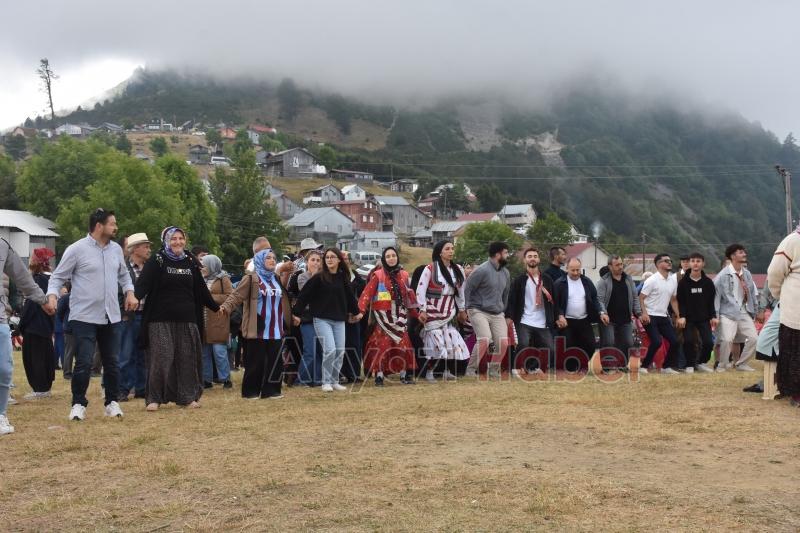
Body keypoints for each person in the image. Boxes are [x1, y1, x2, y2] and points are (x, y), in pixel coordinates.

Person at [46, 208, 137, 421]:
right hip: (83, 316)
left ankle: (112, 402)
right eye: (112, 224)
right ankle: (78, 404)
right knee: (84, 362)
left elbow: (124, 276)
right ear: (99, 226)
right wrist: (52, 295)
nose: (116, 228)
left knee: (112, 362)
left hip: (111, 315)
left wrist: (130, 293)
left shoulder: (116, 250)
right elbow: (57, 277)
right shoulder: (76, 249)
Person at [134, 226, 220, 411]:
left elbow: (200, 289)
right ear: (166, 240)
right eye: (173, 238)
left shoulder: (190, 261)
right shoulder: (157, 260)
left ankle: (187, 397)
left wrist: (216, 307)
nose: (178, 242)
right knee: (162, 357)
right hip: (160, 318)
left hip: (187, 318)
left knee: (186, 358)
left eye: (181, 238)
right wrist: (133, 297)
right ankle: (155, 397)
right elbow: (143, 284)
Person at [220, 248, 290, 399]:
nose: (272, 260)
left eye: (274, 258)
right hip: (258, 326)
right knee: (255, 362)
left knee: (275, 361)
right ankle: (250, 392)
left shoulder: (275, 278)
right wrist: (225, 307)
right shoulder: (251, 278)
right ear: (259, 261)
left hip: (276, 328)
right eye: (268, 258)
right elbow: (236, 295)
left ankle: (272, 391)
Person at [0, 239, 53, 435]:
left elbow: (22, 278)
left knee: (5, 369)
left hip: (3, 319)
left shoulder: (3, 245)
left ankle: (1, 414)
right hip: (27, 324)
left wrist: (43, 301)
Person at [292, 248, 362, 393]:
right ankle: (326, 382)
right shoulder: (319, 277)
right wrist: (296, 314)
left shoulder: (342, 277)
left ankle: (334, 381)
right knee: (330, 350)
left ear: (339, 260)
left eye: (332, 257)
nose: (329, 259)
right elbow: (304, 295)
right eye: (327, 257)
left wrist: (356, 312)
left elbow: (349, 296)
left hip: (339, 320)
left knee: (340, 351)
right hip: (321, 319)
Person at [358, 247, 417, 386]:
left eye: (393, 255)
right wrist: (361, 311)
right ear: (384, 259)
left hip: (400, 316)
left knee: (403, 345)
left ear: (397, 257)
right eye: (388, 256)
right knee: (382, 346)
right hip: (383, 317)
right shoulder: (378, 275)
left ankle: (404, 375)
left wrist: (416, 314)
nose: (391, 258)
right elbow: (367, 294)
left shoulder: (404, 275)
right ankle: (379, 376)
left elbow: (409, 296)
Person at [416, 241, 469, 382]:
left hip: (449, 310)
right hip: (432, 310)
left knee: (450, 341)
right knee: (436, 342)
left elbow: (461, 292)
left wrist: (462, 309)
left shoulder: (457, 269)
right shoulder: (430, 269)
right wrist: (422, 309)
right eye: (447, 249)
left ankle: (446, 370)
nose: (451, 251)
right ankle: (429, 371)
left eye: (452, 248)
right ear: (440, 252)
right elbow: (420, 290)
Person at [464, 241, 511, 378]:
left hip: (497, 313)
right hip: (478, 310)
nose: (507, 255)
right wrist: (468, 308)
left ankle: (493, 370)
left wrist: (503, 309)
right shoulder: (481, 270)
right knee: (484, 339)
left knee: (503, 343)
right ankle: (470, 370)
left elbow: (506, 294)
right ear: (497, 254)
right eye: (506, 253)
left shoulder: (506, 273)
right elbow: (468, 288)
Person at [713, 244, 762, 372]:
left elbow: (752, 294)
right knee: (727, 339)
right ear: (733, 256)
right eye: (741, 252)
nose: (744, 254)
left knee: (754, 338)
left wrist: (756, 311)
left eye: (744, 252)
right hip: (727, 312)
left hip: (744, 310)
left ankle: (741, 363)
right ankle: (722, 365)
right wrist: (715, 315)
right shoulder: (722, 275)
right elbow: (716, 297)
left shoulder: (747, 274)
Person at [506, 247, 555, 374]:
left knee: (550, 348)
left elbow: (555, 299)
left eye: (535, 256)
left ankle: (534, 368)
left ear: (539, 259)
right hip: (524, 319)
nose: (532, 258)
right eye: (529, 256)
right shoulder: (519, 280)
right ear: (524, 260)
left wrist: (559, 315)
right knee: (523, 344)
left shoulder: (547, 279)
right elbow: (512, 300)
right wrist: (509, 317)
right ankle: (517, 368)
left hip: (542, 321)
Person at [767, 228, 800, 404]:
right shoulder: (793, 240)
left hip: (793, 301)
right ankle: (796, 393)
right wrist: (781, 295)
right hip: (796, 303)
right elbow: (774, 273)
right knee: (795, 349)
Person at [117, 233, 151, 401]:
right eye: (146, 246)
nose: (149, 250)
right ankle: (123, 389)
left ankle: (141, 388)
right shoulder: (122, 268)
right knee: (126, 354)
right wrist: (122, 314)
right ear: (136, 249)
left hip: (146, 316)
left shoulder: (150, 268)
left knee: (143, 354)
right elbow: (117, 292)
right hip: (128, 317)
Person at [20, 248, 56, 399]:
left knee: (34, 358)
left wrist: (21, 325)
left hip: (34, 326)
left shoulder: (38, 280)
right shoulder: (51, 279)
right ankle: (45, 388)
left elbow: (31, 304)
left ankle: (40, 389)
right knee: (45, 356)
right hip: (46, 325)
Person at [554, 257, 602, 371]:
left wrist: (601, 312)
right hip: (567, 321)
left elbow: (595, 299)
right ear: (567, 269)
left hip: (584, 320)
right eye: (573, 270)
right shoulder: (559, 283)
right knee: (569, 344)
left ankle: (582, 364)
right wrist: (559, 315)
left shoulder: (587, 281)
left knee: (591, 344)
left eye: (578, 270)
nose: (576, 273)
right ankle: (571, 368)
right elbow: (555, 303)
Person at [638, 253, 682, 374]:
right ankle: (644, 366)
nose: (669, 262)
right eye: (666, 261)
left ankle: (666, 367)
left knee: (675, 341)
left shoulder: (673, 280)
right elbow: (641, 297)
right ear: (658, 264)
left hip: (663, 316)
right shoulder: (652, 280)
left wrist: (679, 316)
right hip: (650, 315)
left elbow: (673, 300)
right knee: (656, 341)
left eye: (670, 260)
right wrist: (644, 313)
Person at [597, 255, 641, 369]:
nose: (620, 267)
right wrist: (603, 313)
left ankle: (622, 366)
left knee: (628, 343)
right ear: (610, 266)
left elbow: (635, 297)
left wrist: (639, 313)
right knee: (609, 342)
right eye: (617, 265)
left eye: (621, 264)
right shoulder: (604, 281)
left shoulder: (628, 279)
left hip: (625, 319)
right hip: (608, 319)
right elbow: (599, 300)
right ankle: (607, 367)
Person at [676, 252, 717, 373]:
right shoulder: (683, 282)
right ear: (689, 263)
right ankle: (689, 364)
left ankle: (701, 362)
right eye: (693, 261)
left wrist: (713, 316)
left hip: (704, 318)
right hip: (688, 318)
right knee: (688, 341)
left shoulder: (708, 282)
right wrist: (682, 316)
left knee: (708, 343)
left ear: (703, 264)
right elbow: (681, 301)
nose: (695, 264)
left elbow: (711, 302)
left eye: (698, 261)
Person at [289, 250, 323, 386]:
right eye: (312, 260)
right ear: (307, 262)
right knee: (310, 350)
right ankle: (301, 380)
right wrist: (315, 276)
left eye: (318, 260)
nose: (315, 263)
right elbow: (308, 295)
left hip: (321, 318)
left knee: (320, 350)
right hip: (307, 318)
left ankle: (317, 379)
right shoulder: (302, 277)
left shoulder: (325, 278)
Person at [201, 254, 233, 389]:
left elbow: (230, 296)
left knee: (219, 351)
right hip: (203, 319)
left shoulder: (223, 278)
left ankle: (225, 379)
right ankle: (206, 380)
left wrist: (208, 297)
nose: (202, 268)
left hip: (218, 319)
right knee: (205, 352)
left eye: (204, 265)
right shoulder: (201, 278)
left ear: (212, 265)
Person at [341, 250, 366, 384]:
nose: (344, 261)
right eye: (342, 258)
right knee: (341, 346)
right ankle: (341, 374)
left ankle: (354, 374)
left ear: (350, 261)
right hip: (339, 317)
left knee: (355, 345)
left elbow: (363, 298)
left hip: (355, 317)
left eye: (346, 258)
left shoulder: (358, 278)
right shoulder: (336, 277)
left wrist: (359, 313)